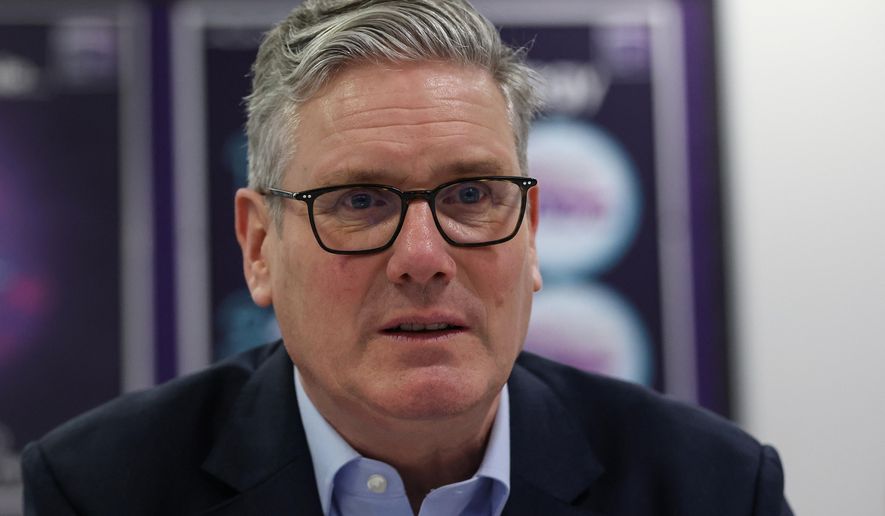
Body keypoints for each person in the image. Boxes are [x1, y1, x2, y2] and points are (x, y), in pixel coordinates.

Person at [21, 1, 793, 514]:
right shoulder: (101, 490)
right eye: (359, 202)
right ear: (260, 247)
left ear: (528, 232)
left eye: (469, 197)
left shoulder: (711, 488)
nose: (422, 259)